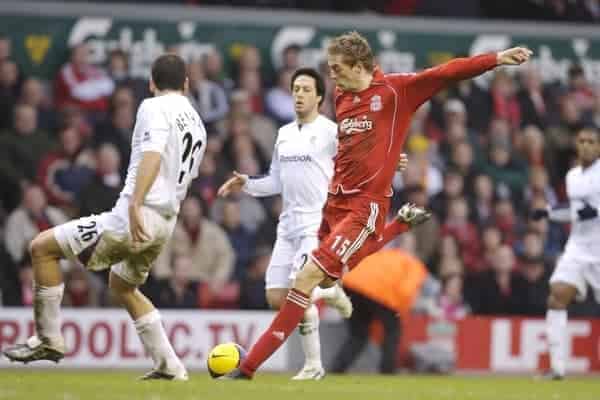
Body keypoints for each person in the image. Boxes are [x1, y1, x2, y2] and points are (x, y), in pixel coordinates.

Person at [221, 31, 532, 380]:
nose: (331, 75)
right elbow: (355, 147)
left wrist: (495, 59)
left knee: (306, 279)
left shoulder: (397, 91)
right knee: (309, 281)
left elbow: (446, 73)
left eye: (337, 68)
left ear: (358, 65)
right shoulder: (341, 96)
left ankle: (248, 367)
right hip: (334, 205)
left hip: (365, 207)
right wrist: (387, 167)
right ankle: (339, 285)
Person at [3, 54, 207, 381]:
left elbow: (153, 156)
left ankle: (48, 339)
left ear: (152, 83)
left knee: (42, 247)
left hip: (132, 217)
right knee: (123, 285)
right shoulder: (197, 123)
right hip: (166, 222)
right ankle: (171, 366)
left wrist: (137, 205)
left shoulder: (153, 107)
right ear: (186, 84)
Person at [218, 67, 417, 379]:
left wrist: (393, 162)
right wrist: (247, 184)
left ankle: (312, 365)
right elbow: (275, 181)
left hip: (318, 221)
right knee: (276, 299)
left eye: (305, 89)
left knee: (302, 285)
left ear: (321, 98)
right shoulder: (282, 134)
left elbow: (365, 160)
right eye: (295, 88)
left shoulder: (332, 132)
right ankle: (330, 291)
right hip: (288, 225)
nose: (298, 94)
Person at [531, 126, 600, 380]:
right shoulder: (573, 177)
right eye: (581, 141)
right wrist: (548, 213)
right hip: (579, 248)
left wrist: (591, 212)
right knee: (557, 296)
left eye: (591, 141)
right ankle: (557, 369)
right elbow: (574, 209)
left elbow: (588, 211)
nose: (585, 145)